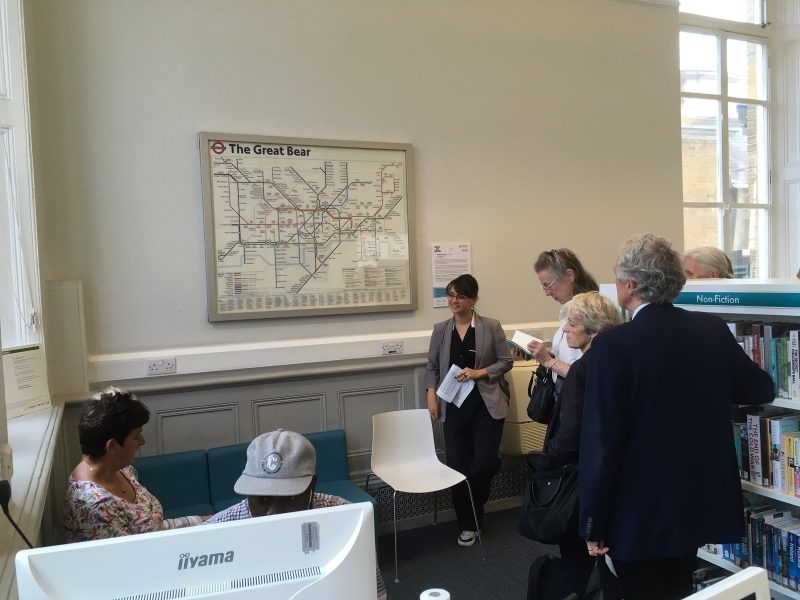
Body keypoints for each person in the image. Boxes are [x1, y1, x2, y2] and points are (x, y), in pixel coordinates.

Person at [578, 234, 774, 600]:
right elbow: (760, 390)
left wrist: (593, 521)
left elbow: (601, 443)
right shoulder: (711, 330)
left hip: (638, 512)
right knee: (679, 588)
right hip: (697, 500)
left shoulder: (614, 345)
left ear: (630, 285)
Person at [205, 429, 386, 600]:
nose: (273, 513)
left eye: (288, 498)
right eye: (262, 499)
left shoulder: (346, 521)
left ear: (311, 487)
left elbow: (374, 593)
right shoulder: (214, 534)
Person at [534, 292, 622, 597]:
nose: (565, 330)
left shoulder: (584, 370)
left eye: (572, 324)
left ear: (593, 329)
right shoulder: (619, 360)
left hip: (580, 479)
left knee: (577, 560)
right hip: (614, 479)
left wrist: (547, 462)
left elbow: (569, 435)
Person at [426, 274, 513, 547]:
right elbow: (432, 367)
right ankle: (469, 523)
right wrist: (431, 395)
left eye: (460, 296)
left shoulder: (490, 326)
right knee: (457, 467)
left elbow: (506, 362)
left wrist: (480, 372)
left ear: (473, 299)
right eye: (450, 295)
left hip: (485, 404)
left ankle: (476, 509)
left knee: (485, 464)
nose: (454, 301)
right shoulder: (441, 330)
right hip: (453, 405)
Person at [63, 387, 204, 542]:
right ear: (112, 446)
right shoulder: (94, 506)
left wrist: (202, 521)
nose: (143, 441)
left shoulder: (120, 469)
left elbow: (153, 529)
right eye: (136, 437)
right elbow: (133, 559)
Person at [525, 249, 599, 389]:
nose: (547, 293)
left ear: (570, 275)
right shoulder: (567, 311)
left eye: (548, 285)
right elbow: (566, 359)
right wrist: (541, 355)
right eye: (544, 287)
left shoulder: (591, 314)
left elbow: (586, 373)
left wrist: (548, 361)